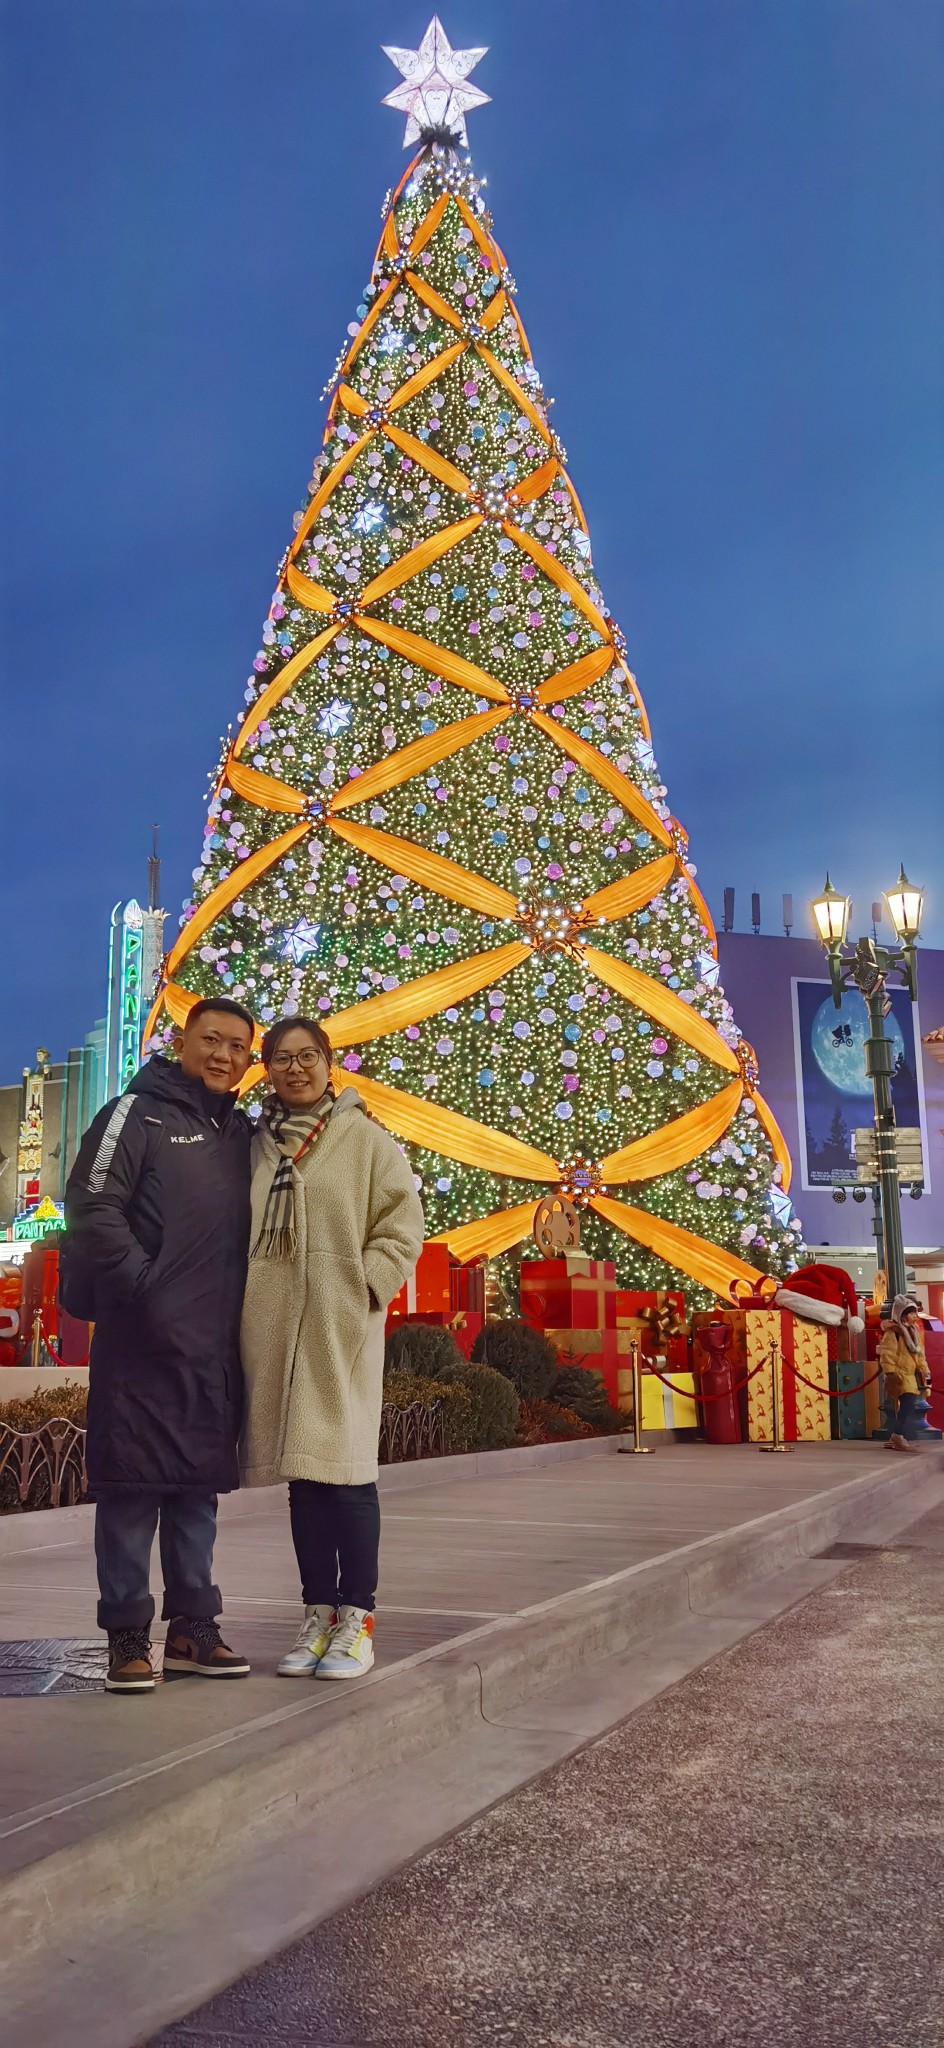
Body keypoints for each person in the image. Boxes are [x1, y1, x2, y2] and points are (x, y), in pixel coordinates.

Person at [64, 998, 256, 1693]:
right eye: (212, 1040)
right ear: (182, 1041)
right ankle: (126, 1638)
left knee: (195, 1493)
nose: (224, 1055)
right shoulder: (134, 1113)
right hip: (139, 1341)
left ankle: (192, 1630)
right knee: (130, 1491)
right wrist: (145, 1288)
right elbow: (91, 1203)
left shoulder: (241, 1132)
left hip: (212, 1347)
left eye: (238, 1047)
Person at [239, 1015, 424, 1680]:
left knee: (348, 1477)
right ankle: (317, 1613)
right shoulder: (256, 1147)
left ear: (328, 1062)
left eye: (307, 1055)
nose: (296, 1068)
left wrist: (365, 1288)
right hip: (273, 1330)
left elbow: (402, 1224)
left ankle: (358, 1619)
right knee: (306, 1482)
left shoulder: (365, 1139)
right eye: (282, 1058)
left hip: (338, 1328)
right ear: (267, 1069)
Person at [879, 1294, 931, 1453]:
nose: (915, 1316)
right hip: (901, 1375)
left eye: (915, 1313)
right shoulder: (893, 1333)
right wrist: (891, 1373)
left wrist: (925, 1371)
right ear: (902, 1315)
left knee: (908, 1406)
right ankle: (897, 1436)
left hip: (912, 1375)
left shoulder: (914, 1332)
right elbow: (888, 1354)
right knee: (908, 1404)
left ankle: (898, 1436)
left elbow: (919, 1355)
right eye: (911, 1313)